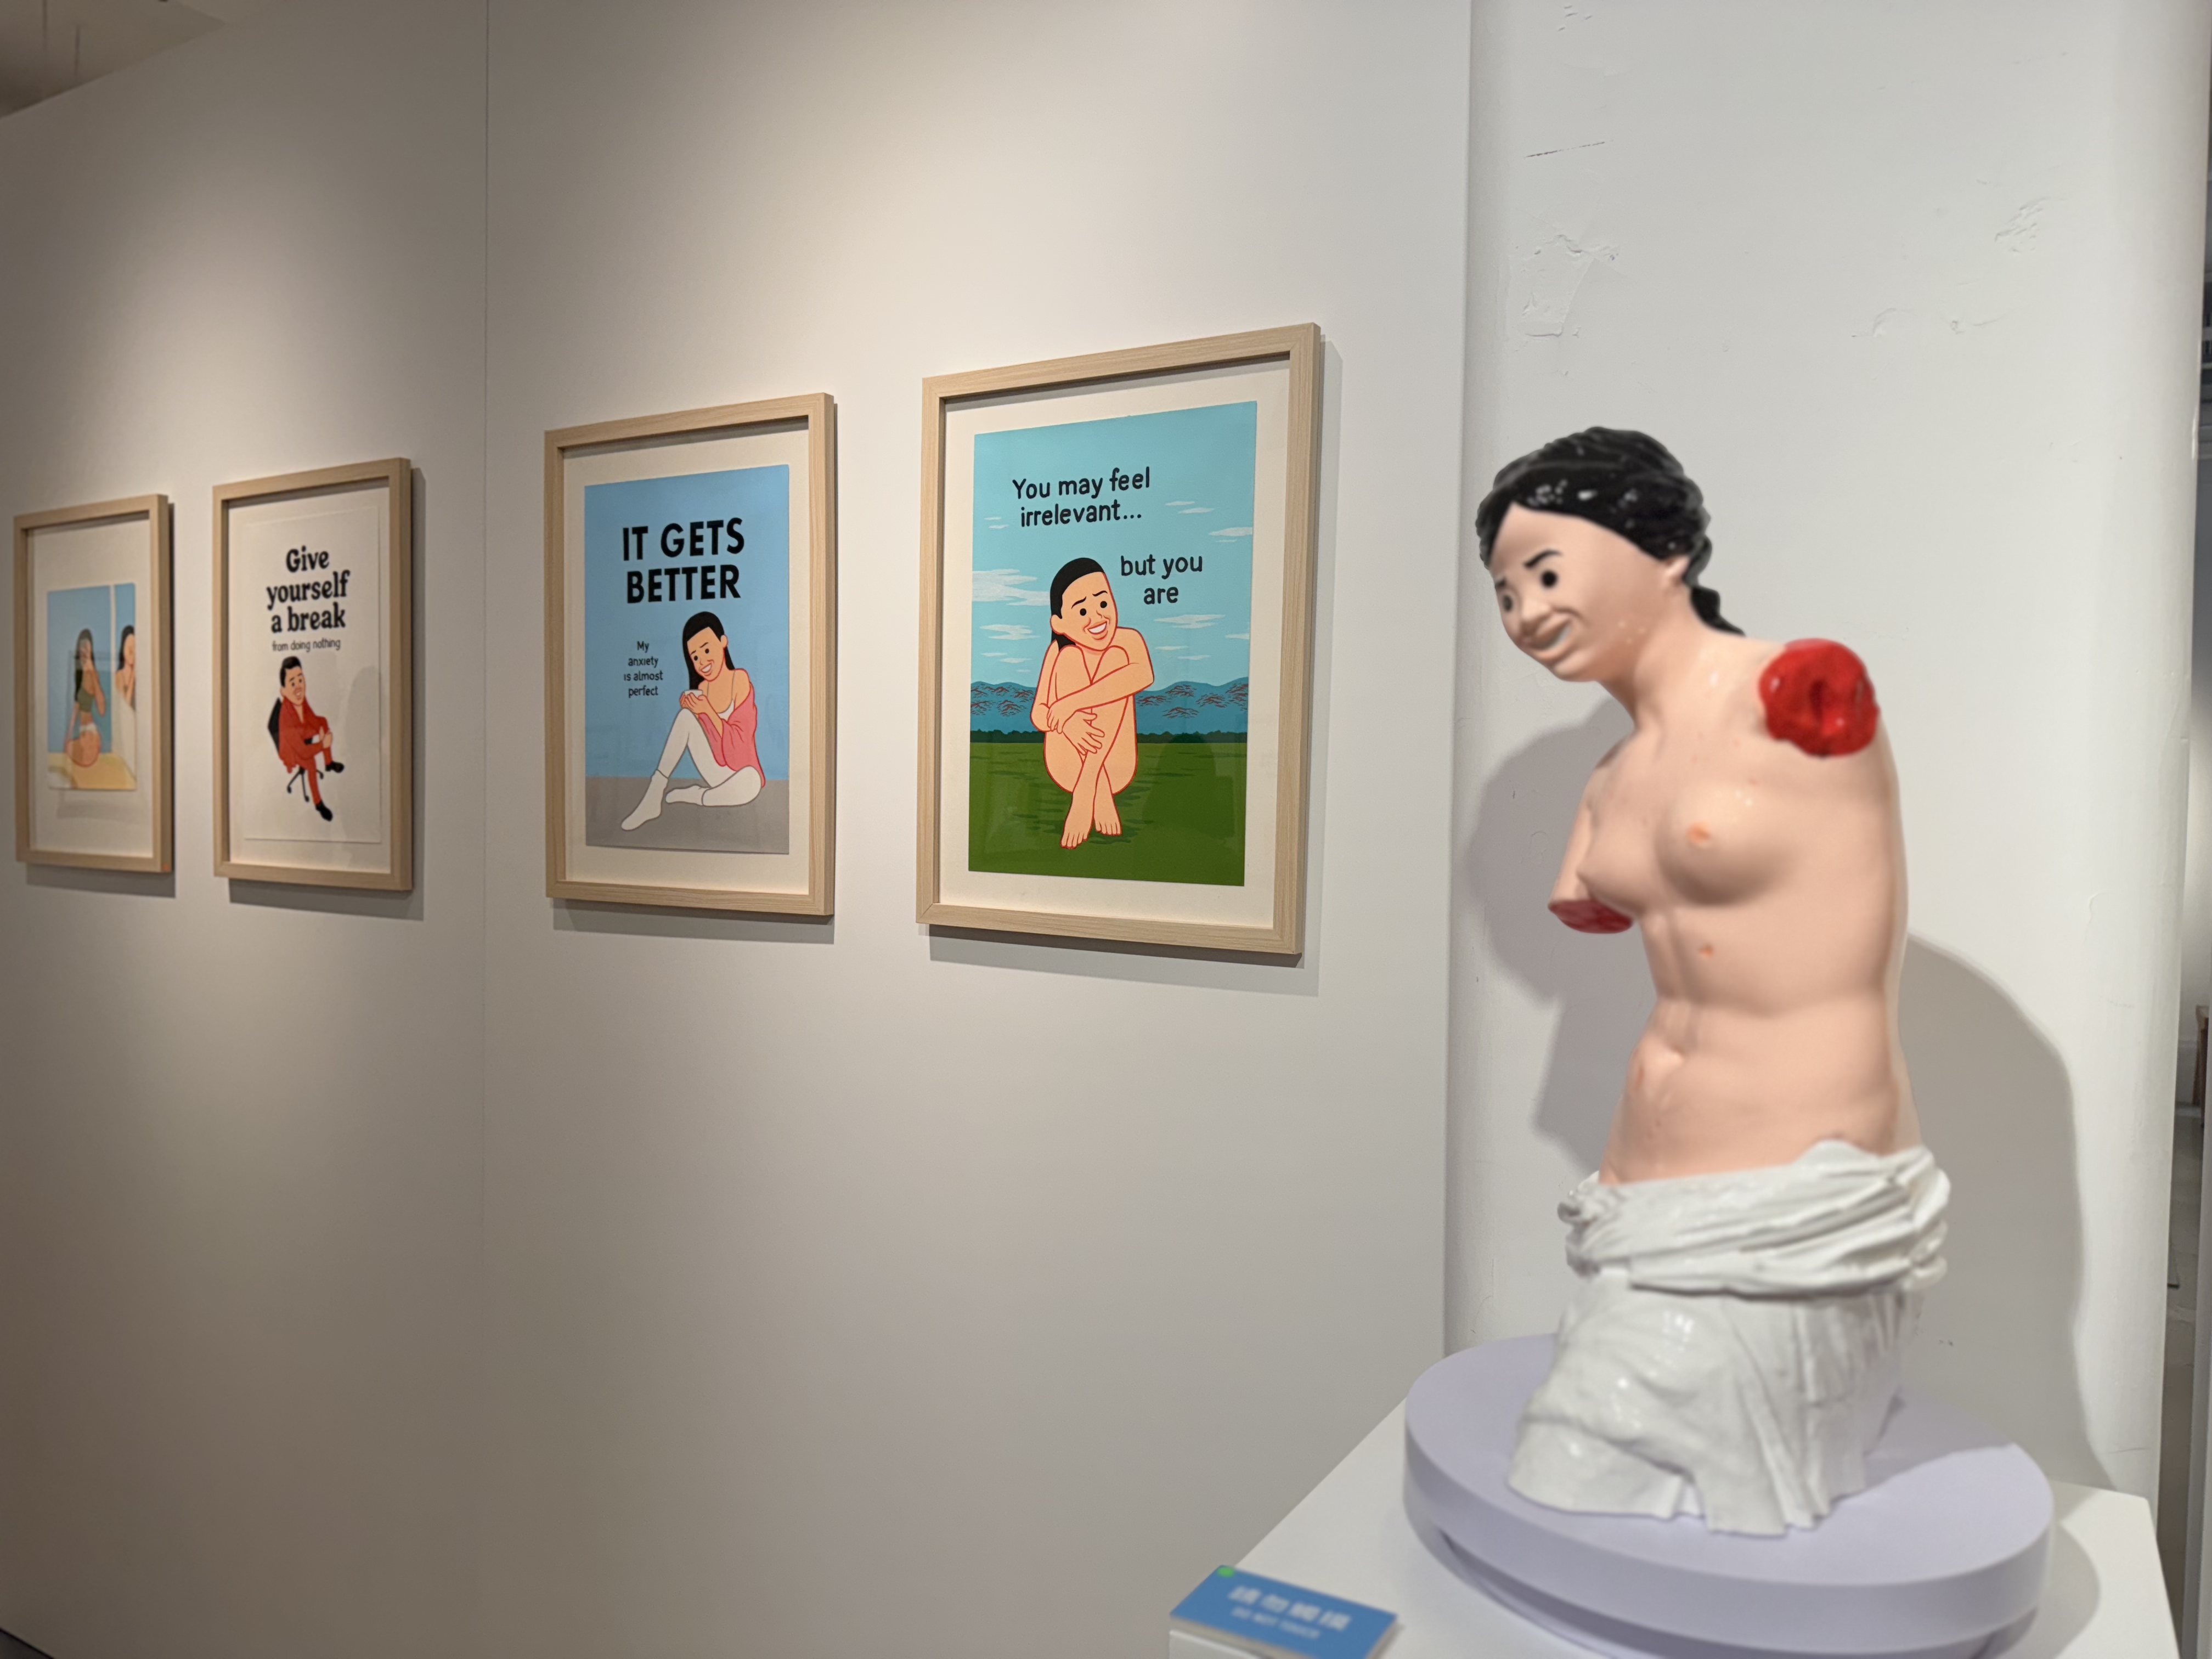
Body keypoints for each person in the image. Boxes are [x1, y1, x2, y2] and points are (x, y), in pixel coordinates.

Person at [1479, 427, 1948, 1536]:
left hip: (1796, 1183)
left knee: (1573, 1470)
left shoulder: (1800, 691)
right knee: (1609, 1501)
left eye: (1546, 571)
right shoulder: (1610, 780)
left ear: (1667, 551)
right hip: (1640, 1190)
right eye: (1503, 593)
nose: (1527, 612)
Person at [1030, 558, 1154, 849]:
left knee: (1117, 660)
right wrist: (1068, 724)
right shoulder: (1059, 650)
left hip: (1115, 765)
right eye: (1083, 611)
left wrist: (1070, 705)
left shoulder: (1128, 640)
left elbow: (1143, 674)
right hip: (1067, 763)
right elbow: (1039, 714)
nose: (1097, 617)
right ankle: (1094, 790)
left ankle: (1089, 788)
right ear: (1059, 623)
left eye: (1103, 603)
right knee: (1070, 657)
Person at [620, 611, 763, 830]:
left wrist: (709, 712)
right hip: (716, 770)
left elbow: (740, 747)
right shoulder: (702, 689)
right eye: (695, 657)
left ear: (723, 642)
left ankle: (697, 796)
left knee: (752, 782)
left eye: (707, 650)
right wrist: (695, 712)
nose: (702, 662)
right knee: (685, 717)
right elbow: (710, 744)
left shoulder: (740, 680)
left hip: (742, 772)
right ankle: (654, 795)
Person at [275, 654, 342, 822]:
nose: (298, 687)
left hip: (302, 731)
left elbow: (311, 717)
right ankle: (319, 804)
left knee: (323, 722)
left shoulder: (301, 699)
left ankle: (329, 763)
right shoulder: (286, 716)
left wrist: (320, 729)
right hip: (293, 749)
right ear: (284, 691)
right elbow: (303, 752)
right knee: (311, 764)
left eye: (301, 680)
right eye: (293, 683)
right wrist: (322, 745)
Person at [64, 628, 104, 771]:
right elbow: (76, 708)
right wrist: (69, 735)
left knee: (83, 758)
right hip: (82, 732)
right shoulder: (79, 676)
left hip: (91, 734)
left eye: (87, 649)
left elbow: (102, 709)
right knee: (69, 750)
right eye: (82, 649)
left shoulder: (93, 675)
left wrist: (92, 671)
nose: (84, 653)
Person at [110, 623, 137, 781]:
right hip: (123, 729)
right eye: (129, 647)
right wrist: (133, 676)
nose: (132, 651)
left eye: (135, 647)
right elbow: (125, 705)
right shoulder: (119, 676)